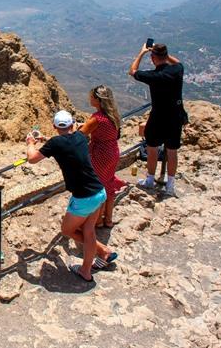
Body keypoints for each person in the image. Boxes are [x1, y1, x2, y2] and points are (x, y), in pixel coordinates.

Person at [26, 110, 117, 282]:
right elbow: (67, 142)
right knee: (88, 231)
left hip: (84, 197)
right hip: (99, 191)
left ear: (54, 126)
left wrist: (31, 143)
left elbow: (32, 159)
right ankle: (100, 256)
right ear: (73, 124)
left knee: (67, 230)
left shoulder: (55, 144)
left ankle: (90, 266)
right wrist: (46, 141)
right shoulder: (81, 137)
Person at [128, 42, 185, 197]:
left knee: (152, 149)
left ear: (153, 58)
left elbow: (132, 71)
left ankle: (150, 180)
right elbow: (178, 62)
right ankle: (170, 186)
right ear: (166, 56)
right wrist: (165, 55)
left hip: (158, 117)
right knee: (172, 151)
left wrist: (142, 53)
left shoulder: (154, 76)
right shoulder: (177, 70)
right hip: (175, 117)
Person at [79, 85, 127, 228]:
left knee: (98, 187)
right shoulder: (114, 115)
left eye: (92, 97)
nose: (90, 99)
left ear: (99, 100)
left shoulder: (97, 118)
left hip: (100, 154)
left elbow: (80, 135)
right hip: (112, 151)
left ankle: (98, 221)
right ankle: (109, 219)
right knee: (108, 184)